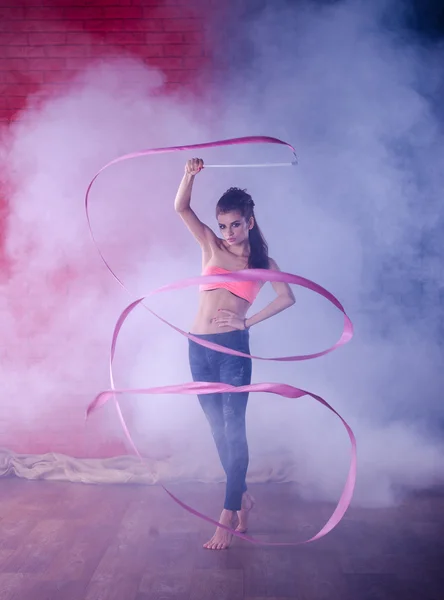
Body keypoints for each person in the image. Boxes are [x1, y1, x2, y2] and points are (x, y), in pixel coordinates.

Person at [174, 157, 295, 550]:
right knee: (216, 431)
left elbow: (287, 297)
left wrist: (248, 321)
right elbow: (181, 208)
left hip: (232, 353)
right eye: (223, 224)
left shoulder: (262, 264)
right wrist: (188, 175)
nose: (227, 232)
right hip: (199, 347)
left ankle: (226, 517)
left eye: (235, 224)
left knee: (234, 432)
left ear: (250, 223)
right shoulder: (210, 244)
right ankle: (242, 496)